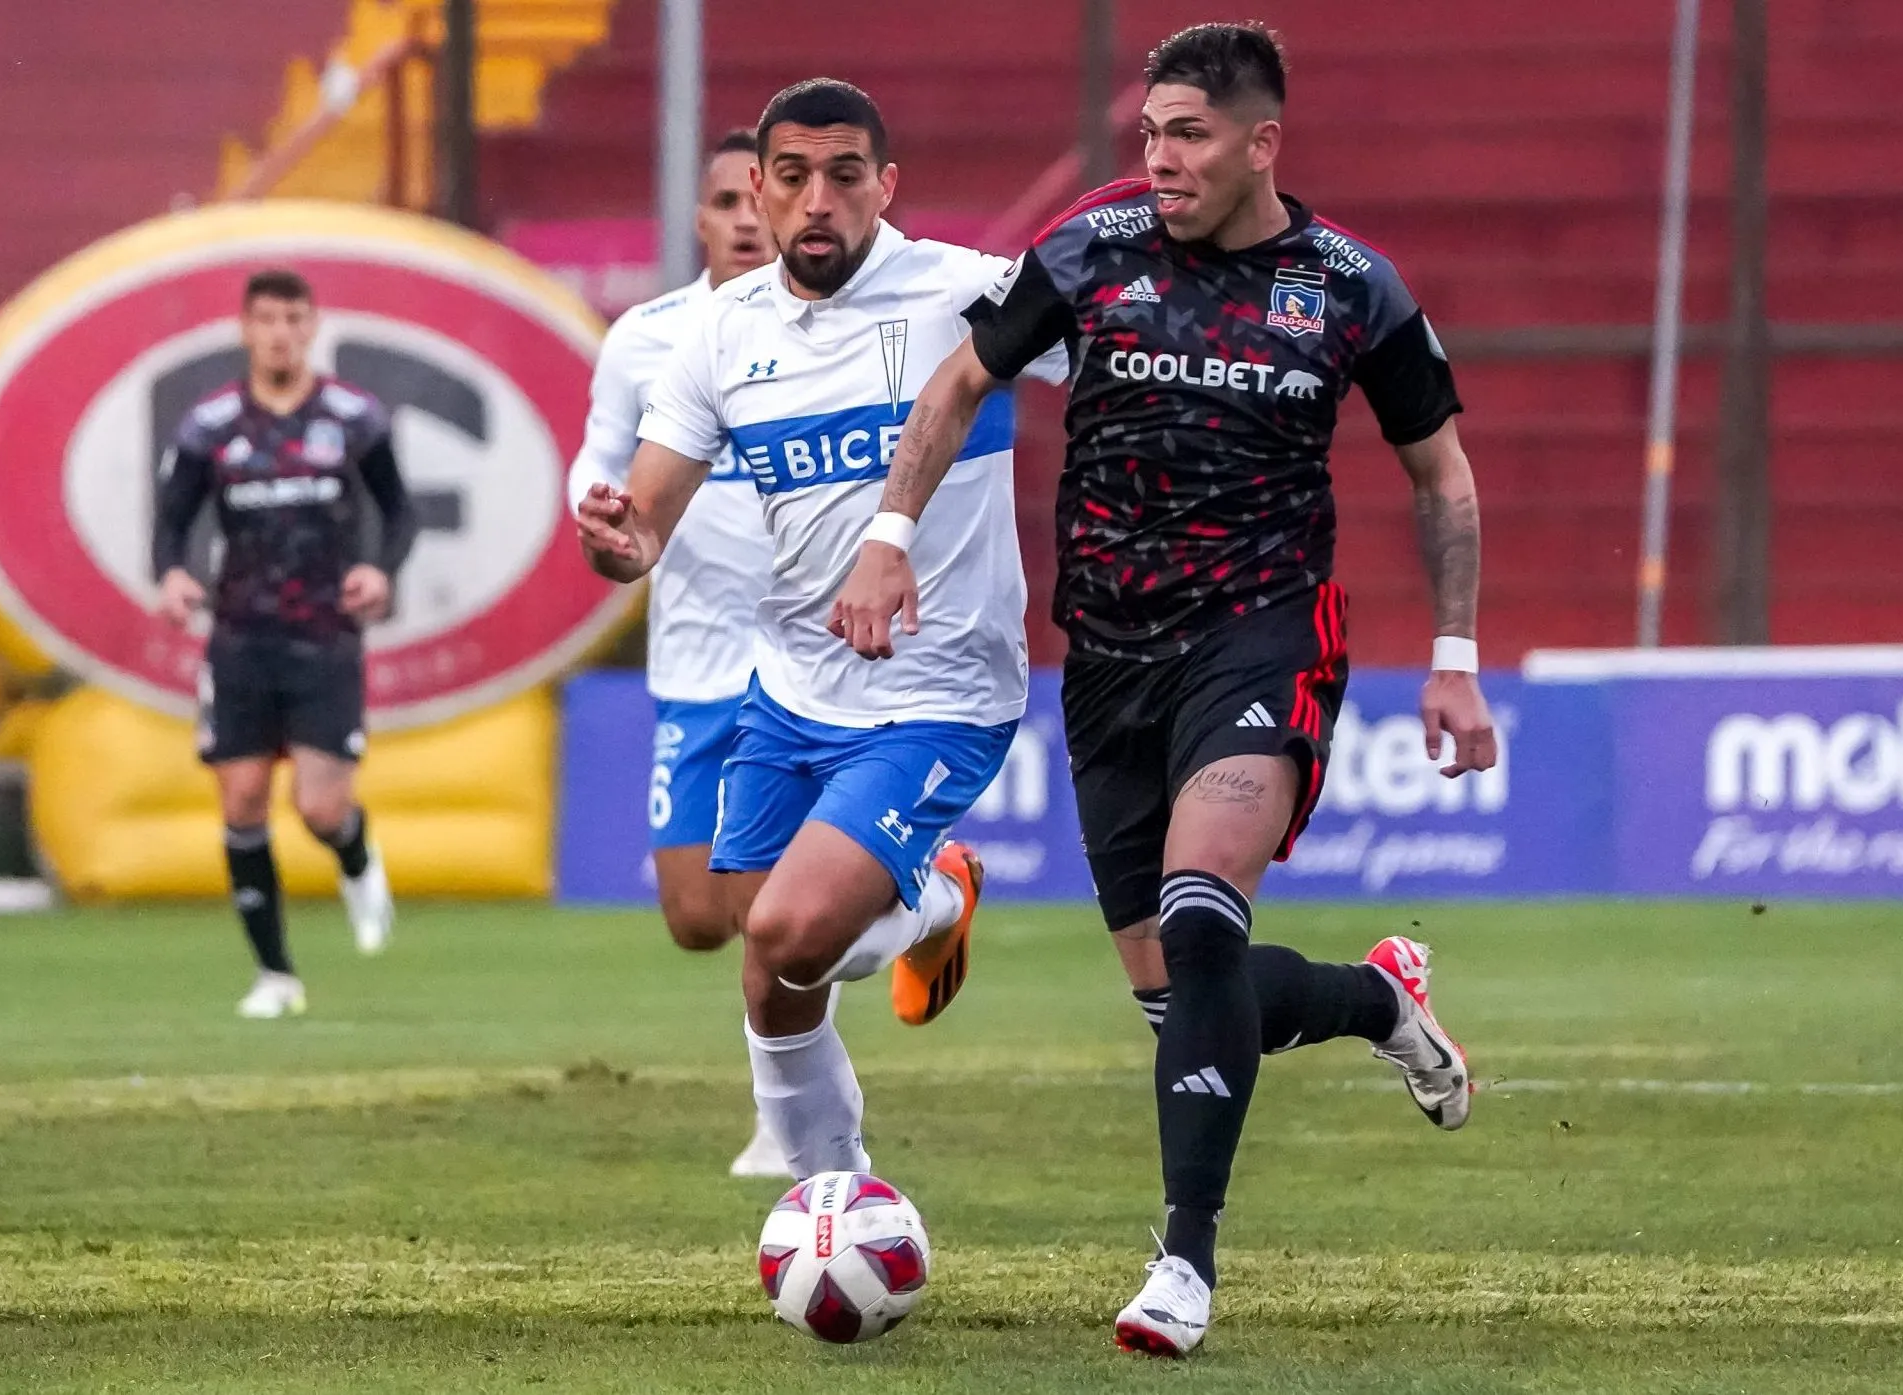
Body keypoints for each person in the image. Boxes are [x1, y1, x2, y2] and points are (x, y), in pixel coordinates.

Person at [829, 23, 1494, 1355]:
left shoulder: (1348, 285)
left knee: (1200, 915)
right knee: (1176, 989)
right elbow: (961, 379)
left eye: (1187, 135)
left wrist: (1455, 658)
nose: (1160, 158)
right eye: (1148, 133)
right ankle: (1376, 1000)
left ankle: (1180, 1261)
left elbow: (1440, 475)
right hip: (1109, 657)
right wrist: (887, 535)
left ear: (1261, 144)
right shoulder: (1089, 250)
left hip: (1261, 636)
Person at [574, 79, 1063, 1179]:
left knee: (789, 931)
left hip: (938, 689)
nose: (815, 201)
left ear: (884, 187)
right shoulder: (711, 335)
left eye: (845, 176)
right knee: (759, 946)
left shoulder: (963, 289)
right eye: (790, 177)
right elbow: (644, 515)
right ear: (758, 188)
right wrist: (618, 540)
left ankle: (841, 1191)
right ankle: (832, 1194)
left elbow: (1111, 353)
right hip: (788, 691)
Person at [566, 128, 785, 1176]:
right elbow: (597, 459)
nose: (746, 216)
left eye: (762, 194)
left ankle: (785, 1118)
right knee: (696, 917)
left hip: (804, 658)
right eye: (725, 200)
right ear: (696, 220)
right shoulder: (647, 338)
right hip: (692, 656)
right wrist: (596, 509)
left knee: (764, 911)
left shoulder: (833, 330)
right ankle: (917, 901)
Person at [154, 267, 412, 1019]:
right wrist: (171, 573)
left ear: (312, 326)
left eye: (294, 319)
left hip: (323, 640)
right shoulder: (209, 427)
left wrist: (378, 566)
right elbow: (171, 520)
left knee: (320, 808)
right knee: (240, 801)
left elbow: (398, 514)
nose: (280, 333)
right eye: (266, 319)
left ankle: (357, 857)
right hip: (238, 640)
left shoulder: (352, 417)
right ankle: (275, 975)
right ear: (245, 328)